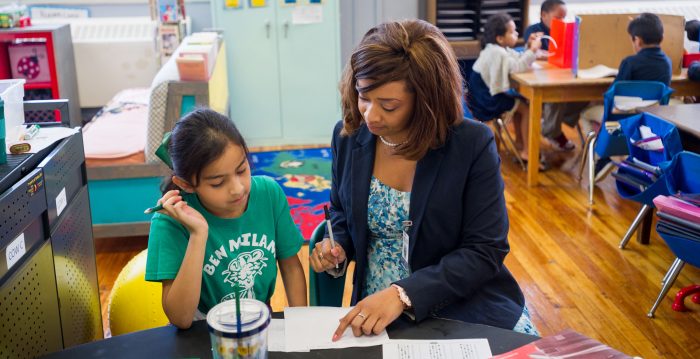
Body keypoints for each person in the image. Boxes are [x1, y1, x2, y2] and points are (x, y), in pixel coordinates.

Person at [310, 19, 538, 340]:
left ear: (427, 101)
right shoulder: (348, 136)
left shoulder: (471, 143)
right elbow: (341, 213)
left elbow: (485, 249)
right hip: (376, 304)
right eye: (364, 96)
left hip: (462, 298)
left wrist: (403, 294)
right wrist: (338, 246)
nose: (370, 115)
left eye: (389, 105)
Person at [145, 108, 307, 329]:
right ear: (186, 185)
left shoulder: (269, 194)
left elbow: (291, 267)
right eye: (218, 183)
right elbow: (181, 319)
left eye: (241, 170)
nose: (237, 189)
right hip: (201, 331)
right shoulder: (170, 221)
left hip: (258, 321)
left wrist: (301, 328)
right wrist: (198, 234)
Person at [588, 13, 672, 180]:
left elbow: (614, 95)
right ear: (661, 37)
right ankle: (631, 160)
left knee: (586, 113)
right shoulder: (667, 63)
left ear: (638, 40)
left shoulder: (630, 62)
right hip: (650, 126)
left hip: (624, 126)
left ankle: (603, 157)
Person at [468, 13, 544, 167]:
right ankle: (527, 152)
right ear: (500, 38)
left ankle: (520, 144)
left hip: (480, 96)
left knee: (521, 105)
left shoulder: (498, 49)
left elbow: (516, 58)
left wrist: (529, 48)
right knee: (526, 109)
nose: (516, 34)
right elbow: (518, 66)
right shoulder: (497, 52)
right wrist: (532, 51)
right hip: (485, 101)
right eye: (512, 32)